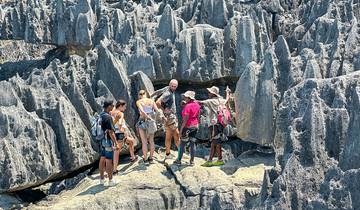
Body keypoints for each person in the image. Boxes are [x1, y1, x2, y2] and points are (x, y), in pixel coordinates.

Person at [198, 86, 230, 167]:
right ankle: (220, 159)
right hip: (220, 123)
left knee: (213, 142)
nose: (208, 94)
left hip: (214, 124)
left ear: (213, 94)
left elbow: (200, 102)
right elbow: (227, 99)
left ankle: (210, 160)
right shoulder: (221, 100)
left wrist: (191, 100)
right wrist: (227, 92)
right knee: (217, 142)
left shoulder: (211, 101)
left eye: (209, 92)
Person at [110, 100, 138, 174]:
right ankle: (114, 170)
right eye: (124, 106)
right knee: (116, 152)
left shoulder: (112, 112)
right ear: (120, 106)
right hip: (120, 134)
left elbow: (111, 123)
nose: (125, 108)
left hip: (114, 134)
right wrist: (122, 130)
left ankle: (133, 157)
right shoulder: (120, 113)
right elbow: (120, 124)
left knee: (131, 141)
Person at [173, 91, 200, 166]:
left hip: (187, 126)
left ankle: (178, 160)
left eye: (185, 97)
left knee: (182, 144)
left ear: (189, 98)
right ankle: (192, 161)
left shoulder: (187, 107)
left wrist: (181, 129)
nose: (184, 98)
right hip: (195, 125)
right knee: (192, 143)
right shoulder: (197, 105)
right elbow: (198, 115)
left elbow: (185, 119)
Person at [155, 79, 180, 160]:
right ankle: (180, 153)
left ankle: (168, 154)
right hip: (170, 117)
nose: (173, 87)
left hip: (167, 117)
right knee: (177, 135)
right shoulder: (168, 93)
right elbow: (158, 102)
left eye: (175, 86)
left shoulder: (169, 91)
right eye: (172, 86)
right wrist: (163, 109)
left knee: (168, 136)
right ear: (169, 85)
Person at [99, 99, 120, 186]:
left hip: (102, 140)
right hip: (108, 141)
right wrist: (116, 143)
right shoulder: (108, 117)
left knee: (102, 158)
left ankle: (102, 179)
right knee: (108, 160)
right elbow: (111, 132)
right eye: (112, 105)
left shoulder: (101, 115)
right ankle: (111, 181)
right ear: (109, 107)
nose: (113, 107)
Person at [136, 90, 159, 163]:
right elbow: (157, 111)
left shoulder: (139, 101)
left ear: (139, 95)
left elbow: (142, 111)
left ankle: (145, 159)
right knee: (151, 141)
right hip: (151, 122)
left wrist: (146, 116)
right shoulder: (151, 101)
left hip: (142, 121)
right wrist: (152, 118)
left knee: (144, 142)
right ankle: (151, 158)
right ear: (145, 94)